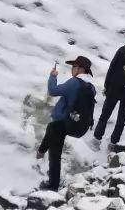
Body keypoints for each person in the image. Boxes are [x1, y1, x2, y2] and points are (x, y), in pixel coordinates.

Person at [37, 56, 95, 191]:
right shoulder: (91, 86)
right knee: (51, 127)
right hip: (78, 125)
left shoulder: (74, 82)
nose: (72, 69)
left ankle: (52, 186)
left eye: (74, 67)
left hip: (64, 122)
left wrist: (53, 76)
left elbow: (53, 91)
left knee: (55, 154)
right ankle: (40, 152)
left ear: (81, 69)